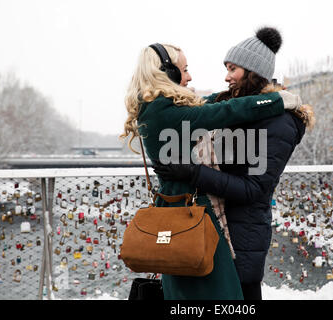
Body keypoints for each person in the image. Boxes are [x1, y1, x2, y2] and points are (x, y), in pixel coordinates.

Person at [120, 42, 302, 300]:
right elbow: (223, 110)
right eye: (184, 70)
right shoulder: (164, 112)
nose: (190, 76)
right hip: (190, 218)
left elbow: (209, 105)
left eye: (232, 68)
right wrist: (276, 99)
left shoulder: (160, 106)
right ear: (167, 73)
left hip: (186, 216)